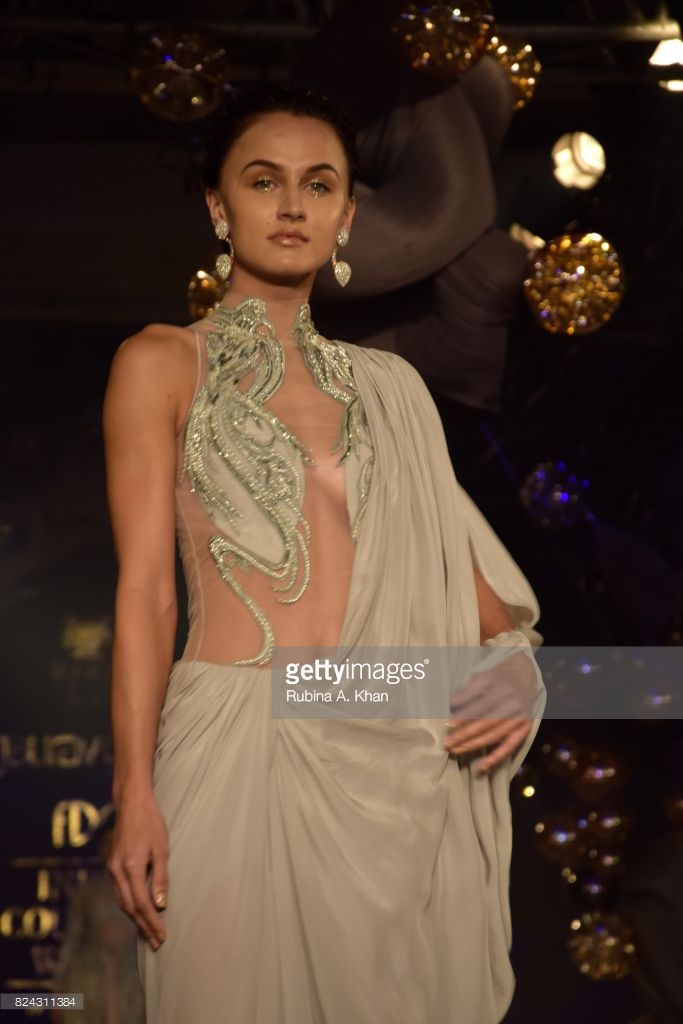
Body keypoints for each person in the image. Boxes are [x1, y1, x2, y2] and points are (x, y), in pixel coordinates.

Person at [102, 85, 545, 1024]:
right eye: (264, 181)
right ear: (219, 207)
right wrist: (132, 791)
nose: (292, 205)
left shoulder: (394, 389)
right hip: (233, 735)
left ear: (347, 215)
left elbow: (479, 605)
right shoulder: (161, 361)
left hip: (388, 753)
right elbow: (144, 593)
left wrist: (516, 669)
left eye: (319, 184)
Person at [50, 822, 145, 1024]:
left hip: (133, 978)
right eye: (106, 843)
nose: (111, 849)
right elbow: (71, 941)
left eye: (116, 842)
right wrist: (59, 994)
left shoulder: (144, 886)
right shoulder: (88, 891)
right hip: (90, 976)